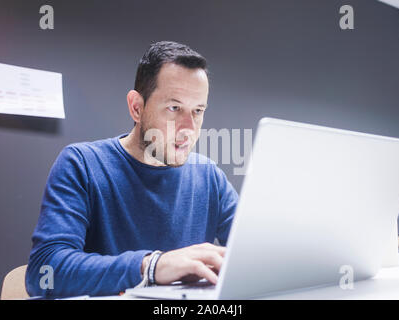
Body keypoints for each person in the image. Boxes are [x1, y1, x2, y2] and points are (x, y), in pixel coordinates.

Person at [25, 41, 239, 297]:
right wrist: (151, 266)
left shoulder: (209, 176)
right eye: (174, 108)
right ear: (137, 107)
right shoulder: (81, 163)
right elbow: (43, 272)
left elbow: (252, 254)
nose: (188, 128)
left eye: (198, 111)